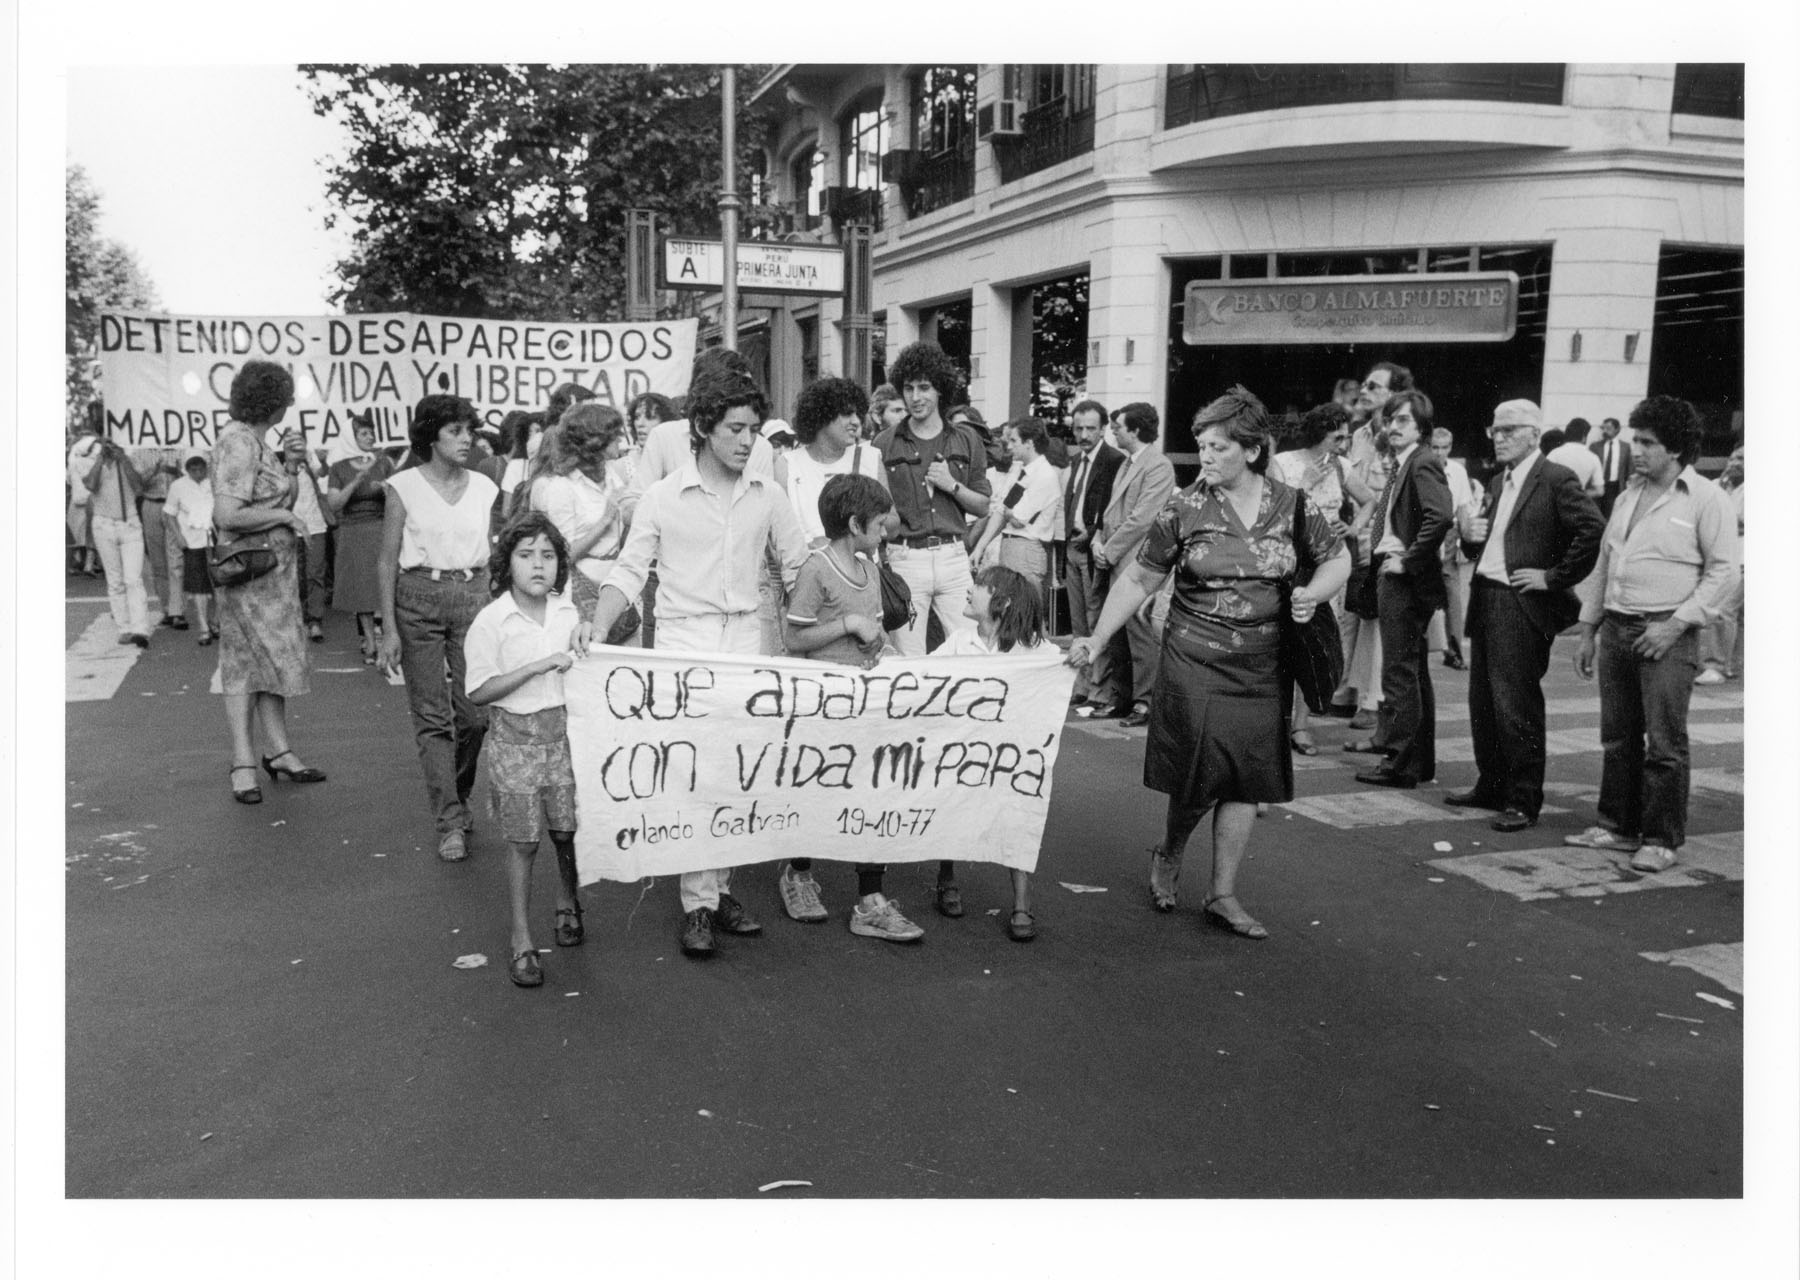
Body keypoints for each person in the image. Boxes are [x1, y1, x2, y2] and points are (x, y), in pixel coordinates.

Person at [1068, 387, 1349, 939]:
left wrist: (1313, 593)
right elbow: (1141, 576)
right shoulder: (1186, 506)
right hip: (1194, 655)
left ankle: (1222, 893)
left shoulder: (1292, 505)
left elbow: (1336, 559)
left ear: (1250, 450)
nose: (1206, 458)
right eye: (1201, 446)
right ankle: (1171, 849)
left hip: (1264, 663)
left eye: (1218, 447)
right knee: (1199, 774)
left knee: (1247, 778)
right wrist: (1097, 639)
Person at [589, 366, 810, 958]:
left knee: (738, 773)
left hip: (747, 643)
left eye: (754, 430)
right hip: (683, 647)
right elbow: (631, 571)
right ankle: (698, 905)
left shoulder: (769, 495)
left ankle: (721, 892)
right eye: (736, 429)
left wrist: (852, 624)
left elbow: (798, 569)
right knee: (693, 774)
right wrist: (597, 624)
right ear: (704, 429)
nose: (748, 441)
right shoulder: (662, 497)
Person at [1566, 396, 1739, 873]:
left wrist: (1677, 624)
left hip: (1668, 630)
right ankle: (1616, 824)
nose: (1635, 450)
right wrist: (1588, 627)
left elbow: (1725, 573)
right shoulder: (1626, 495)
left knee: (1664, 742)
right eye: (1634, 440)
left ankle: (1661, 838)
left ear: (1677, 449)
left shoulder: (1707, 499)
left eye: (1647, 442)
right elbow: (1607, 562)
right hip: (1619, 626)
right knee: (1617, 737)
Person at [1448, 400, 1605, 832]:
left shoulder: (1554, 477)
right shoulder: (1501, 480)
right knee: (1483, 702)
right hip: (1486, 594)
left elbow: (1591, 529)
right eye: (1495, 430)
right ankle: (1491, 784)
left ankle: (1522, 797)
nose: (1499, 438)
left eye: (1510, 430)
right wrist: (1469, 539)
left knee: (1515, 704)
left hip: (1519, 602)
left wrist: (1554, 577)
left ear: (1535, 434)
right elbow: (1497, 541)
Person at [782, 473, 924, 941]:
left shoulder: (868, 568)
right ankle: (799, 875)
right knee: (814, 790)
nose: (885, 532)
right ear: (854, 523)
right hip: (822, 706)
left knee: (872, 793)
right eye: (879, 524)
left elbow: (875, 632)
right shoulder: (817, 569)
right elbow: (794, 636)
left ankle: (870, 899)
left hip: (865, 706)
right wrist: (847, 623)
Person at [464, 511, 595, 989]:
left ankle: (568, 900)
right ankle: (521, 938)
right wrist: (536, 667)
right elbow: (477, 691)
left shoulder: (569, 611)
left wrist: (587, 638)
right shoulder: (492, 620)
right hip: (515, 741)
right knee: (523, 842)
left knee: (566, 829)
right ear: (507, 563)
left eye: (548, 556)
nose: (538, 565)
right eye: (526, 556)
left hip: (564, 736)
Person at [376, 394, 502, 862]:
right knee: (432, 717)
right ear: (431, 436)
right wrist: (388, 628)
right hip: (417, 599)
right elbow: (387, 559)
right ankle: (449, 820)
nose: (467, 439)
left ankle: (459, 792)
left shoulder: (486, 487)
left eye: (470, 430)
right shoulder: (403, 486)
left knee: (474, 714)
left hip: (472, 596)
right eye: (455, 431)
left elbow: (497, 550)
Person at [210, 361, 326, 804]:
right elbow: (228, 515)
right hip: (249, 576)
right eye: (286, 397)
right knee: (244, 664)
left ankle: (278, 751)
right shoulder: (239, 442)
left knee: (272, 662)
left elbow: (276, 496)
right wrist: (283, 515)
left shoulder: (256, 441)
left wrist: (292, 467)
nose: (291, 405)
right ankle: (243, 762)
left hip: (271, 576)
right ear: (272, 402)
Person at [932, 565, 1059, 941]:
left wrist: (1079, 657)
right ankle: (946, 875)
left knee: (1017, 813)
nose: (969, 591)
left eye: (979, 586)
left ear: (1000, 603)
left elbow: (1063, 666)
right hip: (963, 749)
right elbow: (923, 675)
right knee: (950, 802)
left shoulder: (1033, 651)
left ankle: (1022, 898)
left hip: (1009, 756)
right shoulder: (958, 642)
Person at [1351, 390, 1455, 790]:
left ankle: (1399, 762)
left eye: (1403, 421)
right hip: (1400, 574)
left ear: (1422, 427)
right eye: (1391, 419)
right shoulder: (1406, 461)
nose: (1392, 427)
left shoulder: (1422, 461)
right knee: (1410, 672)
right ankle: (1416, 761)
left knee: (1398, 672)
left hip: (1403, 579)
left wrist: (1408, 559)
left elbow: (1441, 515)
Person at [872, 341, 993, 656]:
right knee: (909, 658)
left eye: (924, 387)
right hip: (906, 560)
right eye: (909, 388)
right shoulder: (883, 444)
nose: (915, 397)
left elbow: (982, 505)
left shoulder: (967, 440)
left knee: (972, 649)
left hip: (954, 558)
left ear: (940, 390)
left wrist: (951, 485)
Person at [1272, 401, 1374, 752]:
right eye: (1338, 437)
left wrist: (1353, 527)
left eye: (1346, 437)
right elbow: (1272, 508)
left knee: (1313, 641)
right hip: (1289, 560)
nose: (1344, 444)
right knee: (1281, 642)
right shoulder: (1284, 463)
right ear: (1319, 433)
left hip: (1327, 563)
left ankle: (1301, 726)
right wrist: (1308, 483)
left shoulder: (1343, 466)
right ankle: (1275, 722)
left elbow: (1370, 500)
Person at [1332, 361, 1410, 728]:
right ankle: (1349, 689)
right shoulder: (1358, 434)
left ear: (1394, 395)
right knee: (1354, 617)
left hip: (1385, 540)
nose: (1364, 391)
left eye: (1374, 387)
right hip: (1355, 539)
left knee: (1378, 625)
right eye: (1364, 384)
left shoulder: (1404, 437)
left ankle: (1373, 702)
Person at [1091, 402, 1177, 726]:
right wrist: (1099, 540)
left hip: (1137, 561)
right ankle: (1122, 698)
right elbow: (1112, 511)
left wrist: (1108, 550)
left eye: (1118, 427)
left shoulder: (1158, 466)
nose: (1113, 431)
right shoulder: (1128, 463)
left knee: (1139, 636)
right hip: (1117, 558)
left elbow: (1143, 518)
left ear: (1136, 430)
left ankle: (1145, 702)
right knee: (1117, 636)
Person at [529, 401, 632, 629]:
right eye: (614, 435)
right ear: (595, 441)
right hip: (578, 591)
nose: (620, 440)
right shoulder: (561, 487)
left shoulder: (616, 476)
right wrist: (605, 521)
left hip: (616, 587)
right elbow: (561, 556)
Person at [1062, 399, 1127, 717]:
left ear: (1103, 429)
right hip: (1072, 550)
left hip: (1094, 549)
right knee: (1077, 622)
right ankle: (1083, 686)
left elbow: (1110, 505)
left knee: (1096, 620)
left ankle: (1101, 691)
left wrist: (1092, 532)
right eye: (1078, 428)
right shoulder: (1077, 461)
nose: (1083, 434)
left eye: (1090, 428)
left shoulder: (1114, 459)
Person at [773, 376, 886, 548]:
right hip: (806, 569)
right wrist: (809, 544)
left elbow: (891, 523)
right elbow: (777, 531)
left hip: (860, 570)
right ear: (822, 415)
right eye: (847, 414)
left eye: (858, 414)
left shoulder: (869, 458)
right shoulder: (788, 465)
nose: (856, 422)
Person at [325, 412, 397, 664]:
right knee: (361, 588)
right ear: (351, 437)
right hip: (353, 531)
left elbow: (399, 497)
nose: (370, 437)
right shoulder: (338, 468)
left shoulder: (383, 463)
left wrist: (389, 491)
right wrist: (356, 482)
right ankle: (368, 640)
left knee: (384, 584)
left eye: (371, 433)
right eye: (363, 433)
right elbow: (334, 503)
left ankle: (388, 637)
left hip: (380, 528)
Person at [76, 413, 152, 648]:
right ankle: (124, 626)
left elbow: (139, 487)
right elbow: (90, 485)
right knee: (116, 580)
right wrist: (101, 459)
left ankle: (140, 627)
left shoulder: (129, 456)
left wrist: (122, 459)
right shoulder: (89, 457)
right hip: (103, 524)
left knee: (133, 578)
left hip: (129, 523)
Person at [971, 418, 1062, 588]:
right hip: (1009, 545)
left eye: (1014, 440)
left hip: (1027, 550)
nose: (1009, 446)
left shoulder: (1044, 475)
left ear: (1029, 443)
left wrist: (1008, 512)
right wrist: (980, 547)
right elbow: (1002, 511)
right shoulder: (1019, 470)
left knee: (1024, 609)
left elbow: (1018, 519)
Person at [265, 421, 333, 643]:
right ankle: (298, 616)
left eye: (298, 440)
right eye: (289, 440)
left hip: (315, 526)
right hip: (290, 526)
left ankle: (315, 620)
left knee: (315, 573)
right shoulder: (276, 464)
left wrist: (322, 460)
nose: (294, 444)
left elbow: (322, 472)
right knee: (294, 574)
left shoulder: (309, 459)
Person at [1425, 426, 1475, 671]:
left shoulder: (1458, 472)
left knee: (1452, 592)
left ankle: (1453, 650)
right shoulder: (1421, 469)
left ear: (1450, 448)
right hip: (1424, 531)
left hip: (1449, 533)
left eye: (1444, 448)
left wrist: (1467, 540)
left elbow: (1464, 508)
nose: (1439, 453)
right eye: (1435, 447)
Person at [1696, 443, 1745, 684]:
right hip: (1726, 557)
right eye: (1734, 457)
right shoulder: (1718, 485)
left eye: (1743, 459)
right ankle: (1731, 664)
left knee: (1724, 610)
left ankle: (1716, 665)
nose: (1735, 463)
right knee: (1736, 614)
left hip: (1744, 558)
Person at [162, 450, 218, 645]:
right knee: (198, 587)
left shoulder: (214, 483)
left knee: (218, 584)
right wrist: (178, 537)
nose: (197, 473)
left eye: (201, 468)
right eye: (193, 469)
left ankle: (215, 621)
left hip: (214, 540)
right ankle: (204, 626)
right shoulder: (178, 486)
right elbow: (169, 514)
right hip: (192, 542)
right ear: (187, 470)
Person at [131, 443, 186, 630]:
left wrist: (177, 471)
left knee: (176, 559)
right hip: (151, 503)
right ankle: (166, 608)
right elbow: (137, 484)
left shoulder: (181, 448)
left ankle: (177, 610)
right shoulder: (140, 451)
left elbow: (194, 479)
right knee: (158, 560)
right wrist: (155, 469)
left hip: (176, 506)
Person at [1546, 418, 1604, 500]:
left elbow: (1542, 480)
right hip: (1577, 503)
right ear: (1584, 437)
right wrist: (1578, 494)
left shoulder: (1555, 453)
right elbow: (1599, 491)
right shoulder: (1593, 458)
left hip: (1555, 501)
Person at [1592, 416, 1632, 518]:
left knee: (1612, 515)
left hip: (1615, 487)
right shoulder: (1595, 446)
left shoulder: (1625, 447)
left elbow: (1630, 470)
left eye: (1608, 428)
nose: (1605, 431)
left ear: (1617, 429)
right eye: (1603, 428)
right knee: (1596, 513)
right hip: (1598, 485)